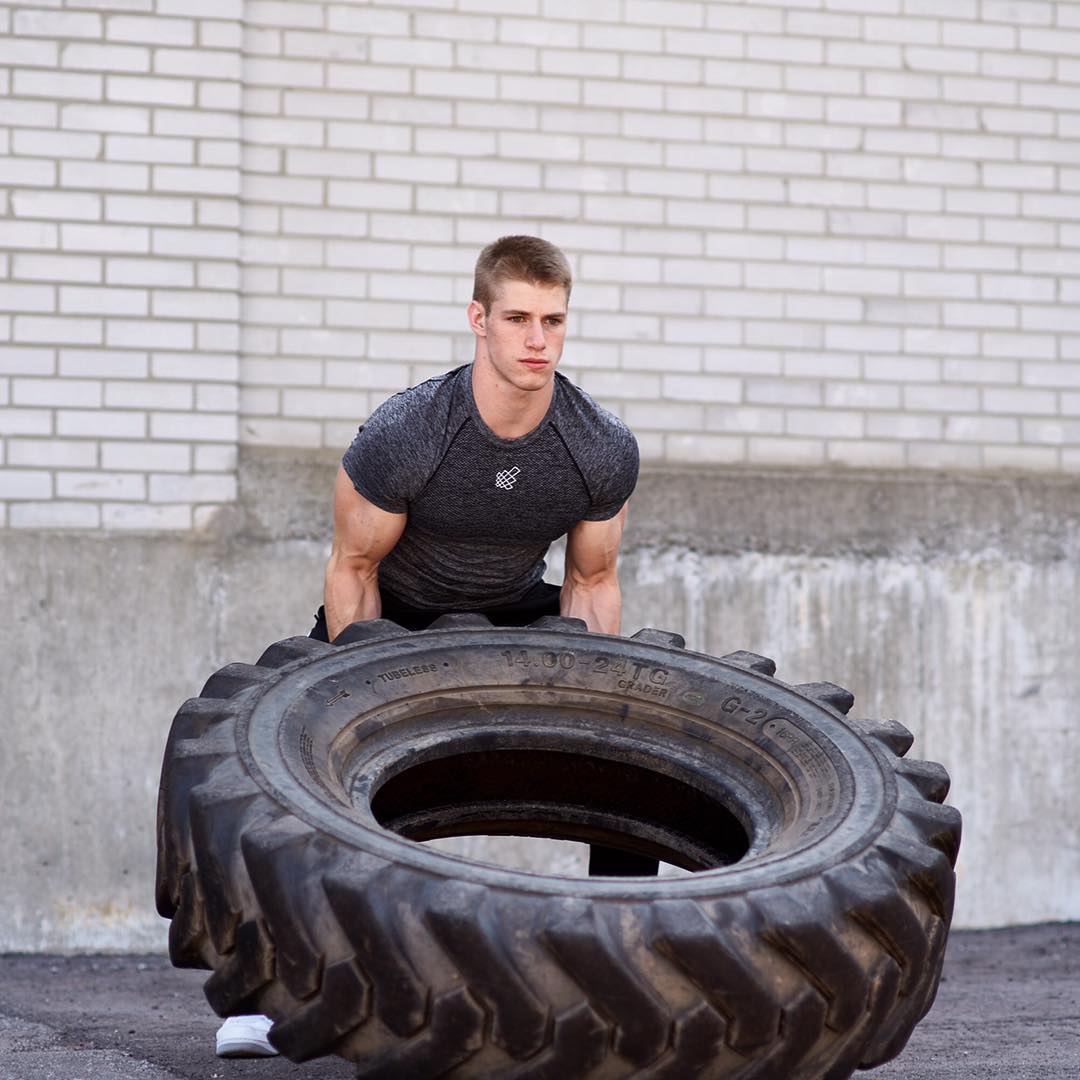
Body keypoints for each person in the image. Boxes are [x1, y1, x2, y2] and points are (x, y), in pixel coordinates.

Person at [215, 234, 643, 1059]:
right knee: (287, 764)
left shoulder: (598, 445)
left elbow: (591, 584)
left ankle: (611, 984)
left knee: (626, 748)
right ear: (477, 318)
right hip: (398, 610)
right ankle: (267, 998)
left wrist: (594, 707)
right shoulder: (409, 432)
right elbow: (353, 565)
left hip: (514, 609)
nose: (536, 341)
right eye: (517, 318)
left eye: (553, 321)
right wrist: (357, 699)